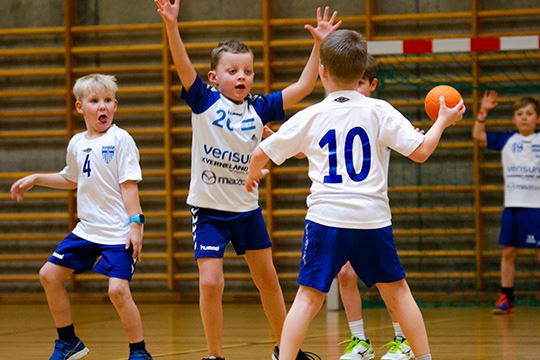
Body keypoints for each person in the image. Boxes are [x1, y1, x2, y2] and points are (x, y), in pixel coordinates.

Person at [245, 29, 465, 360]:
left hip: (325, 219)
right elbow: (420, 152)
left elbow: (260, 153)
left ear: (322, 71)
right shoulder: (380, 110)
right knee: (398, 293)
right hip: (371, 219)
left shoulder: (311, 116)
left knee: (308, 298)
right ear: (362, 71)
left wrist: (251, 175)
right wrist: (442, 122)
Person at [154, 1, 340, 359]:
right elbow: (182, 66)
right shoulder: (204, 101)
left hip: (246, 211)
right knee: (211, 282)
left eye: (248, 71)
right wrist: (172, 27)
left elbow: (303, 86)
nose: (242, 77)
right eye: (233, 71)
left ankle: (286, 350)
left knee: (268, 281)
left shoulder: (259, 108)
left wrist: (319, 45)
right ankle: (215, 355)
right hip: (209, 211)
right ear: (214, 77)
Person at [10, 74, 152, 360]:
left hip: (117, 232)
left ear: (115, 106)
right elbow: (71, 178)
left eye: (108, 101)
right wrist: (36, 178)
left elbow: (129, 187)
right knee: (49, 276)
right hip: (87, 230)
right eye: (95, 101)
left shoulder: (121, 139)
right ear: (80, 107)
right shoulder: (77, 143)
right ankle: (68, 341)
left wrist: (135, 225)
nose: (103, 107)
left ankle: (139, 352)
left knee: (117, 292)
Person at [472, 90, 540, 315]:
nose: (524, 117)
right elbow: (478, 135)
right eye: (519, 113)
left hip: (536, 206)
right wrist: (483, 112)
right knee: (508, 252)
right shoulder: (507, 139)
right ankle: (506, 297)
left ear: (538, 118)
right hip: (512, 205)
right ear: (514, 119)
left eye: (529, 113)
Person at [336, 54, 413, 360]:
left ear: (372, 84)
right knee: (344, 273)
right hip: (341, 212)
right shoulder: (335, 114)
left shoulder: (378, 114)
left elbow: (407, 141)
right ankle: (360, 343)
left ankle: (402, 339)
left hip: (371, 215)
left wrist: (416, 136)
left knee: (386, 280)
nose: (354, 89)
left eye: (360, 83)